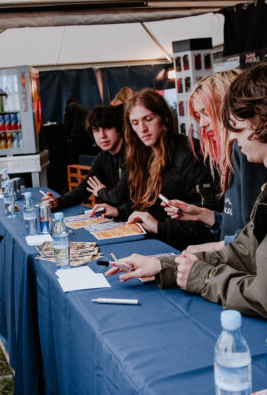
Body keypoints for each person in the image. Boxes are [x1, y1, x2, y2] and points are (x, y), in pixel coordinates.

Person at [108, 62, 267, 319]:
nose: (204, 125)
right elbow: (246, 246)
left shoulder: (240, 158)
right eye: (135, 122)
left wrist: (199, 272)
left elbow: (260, 286)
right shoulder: (244, 161)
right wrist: (164, 265)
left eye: (208, 113)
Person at [94, 89, 219, 249]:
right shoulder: (143, 155)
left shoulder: (191, 153)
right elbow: (151, 206)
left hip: (184, 249)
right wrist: (119, 211)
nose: (142, 129)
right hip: (157, 240)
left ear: (164, 119)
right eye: (135, 123)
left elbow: (207, 221)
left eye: (148, 119)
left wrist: (159, 227)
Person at [163, 71, 267, 253]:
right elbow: (240, 226)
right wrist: (205, 215)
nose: (201, 124)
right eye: (198, 115)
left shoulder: (248, 152)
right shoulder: (235, 153)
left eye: (206, 113)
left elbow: (254, 239)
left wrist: (214, 248)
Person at [42, 104, 128, 210]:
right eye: (96, 130)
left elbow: (118, 197)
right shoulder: (103, 157)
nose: (102, 135)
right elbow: (84, 189)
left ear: (119, 129)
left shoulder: (132, 154)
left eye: (107, 128)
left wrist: (101, 191)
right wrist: (59, 201)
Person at [63, 97, 94, 163]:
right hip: (87, 138)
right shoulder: (84, 109)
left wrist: (66, 136)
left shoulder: (69, 107)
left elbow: (67, 124)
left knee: (74, 161)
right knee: (86, 160)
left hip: (76, 138)